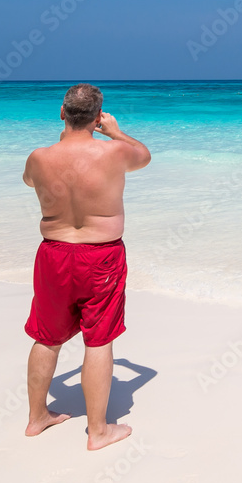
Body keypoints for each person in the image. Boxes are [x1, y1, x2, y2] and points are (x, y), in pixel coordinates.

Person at [21, 83, 151, 449]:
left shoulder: (38, 158)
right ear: (97, 118)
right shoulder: (115, 154)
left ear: (61, 113)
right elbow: (144, 156)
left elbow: (29, 181)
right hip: (101, 256)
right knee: (99, 338)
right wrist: (116, 132)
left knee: (46, 336)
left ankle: (36, 418)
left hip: (54, 254)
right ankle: (98, 431)